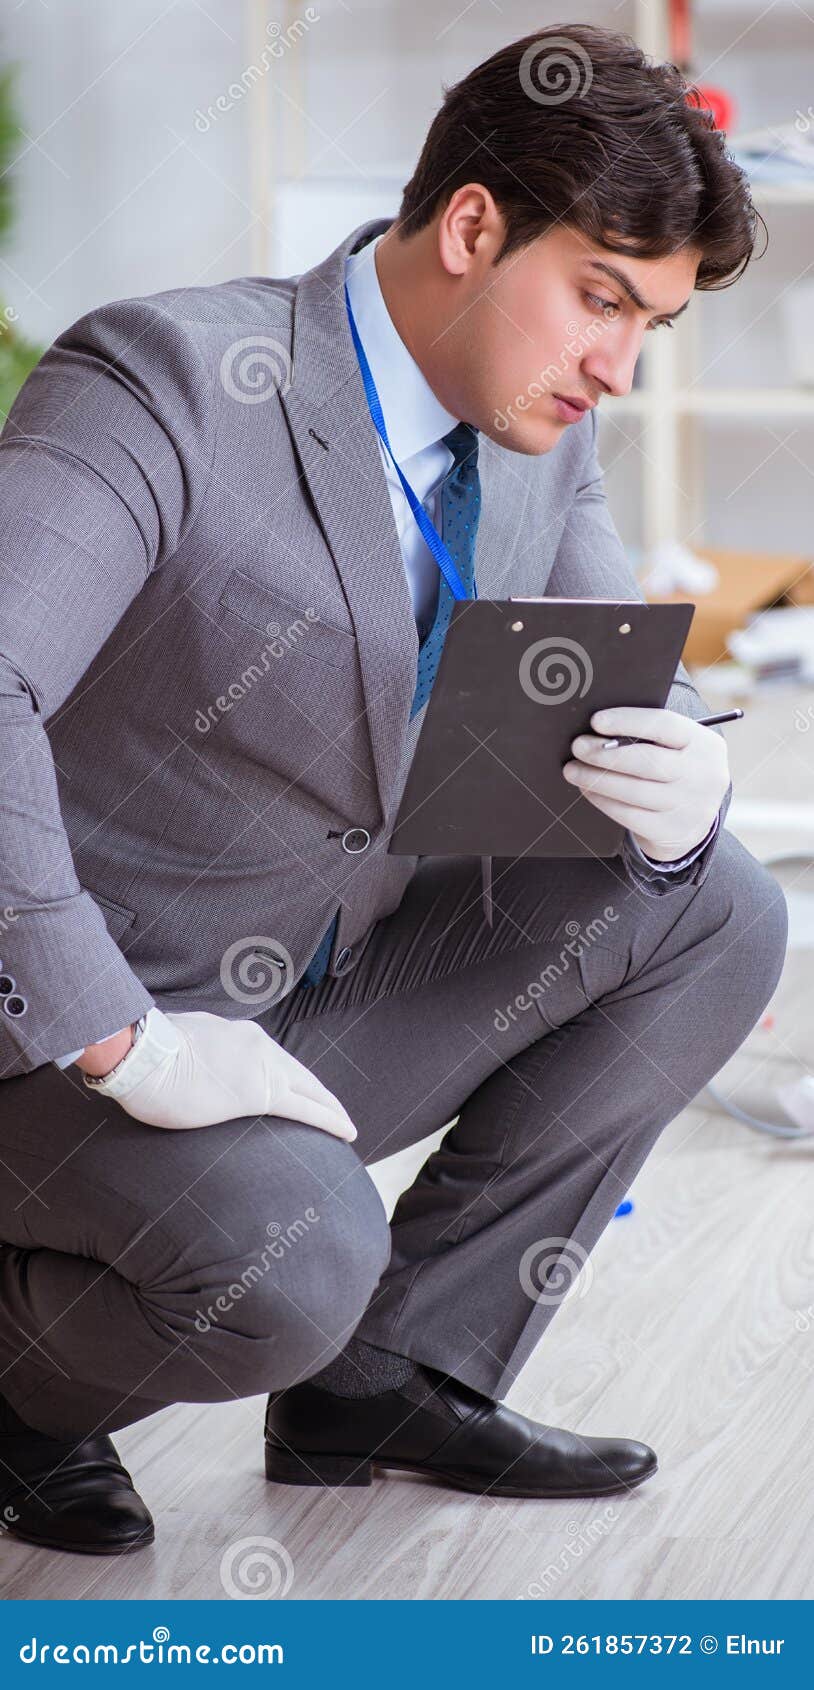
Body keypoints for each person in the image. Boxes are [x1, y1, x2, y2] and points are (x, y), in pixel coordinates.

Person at [0, 24, 787, 1555]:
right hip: (61, 1035)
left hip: (292, 1000)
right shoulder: (164, 378)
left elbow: (613, 665)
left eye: (652, 326)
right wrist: (111, 1029)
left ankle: (388, 1373)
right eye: (601, 298)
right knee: (294, 1257)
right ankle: (25, 1387)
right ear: (472, 225)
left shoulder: (530, 430)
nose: (617, 365)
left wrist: (679, 756)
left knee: (716, 904)